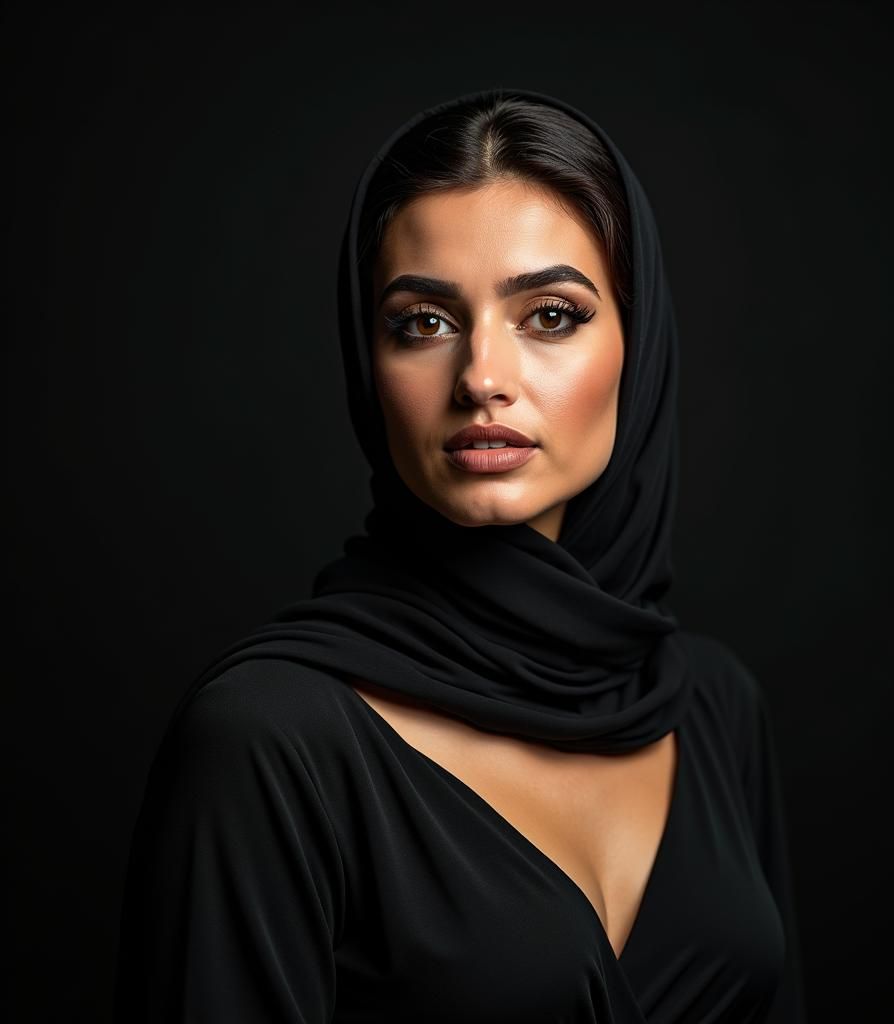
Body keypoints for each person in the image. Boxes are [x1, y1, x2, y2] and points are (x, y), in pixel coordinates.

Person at [113, 86, 807, 1023]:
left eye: (550, 316)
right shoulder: (270, 741)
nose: (482, 376)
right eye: (423, 323)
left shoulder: (711, 706)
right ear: (369, 367)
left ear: (638, 352)